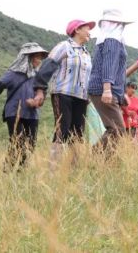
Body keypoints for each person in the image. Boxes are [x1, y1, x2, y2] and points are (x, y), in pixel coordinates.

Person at [0, 42, 49, 171]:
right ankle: (8, 170)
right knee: (17, 142)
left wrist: (37, 102)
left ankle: (20, 170)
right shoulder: (13, 74)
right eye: (36, 57)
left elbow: (42, 96)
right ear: (27, 57)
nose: (39, 60)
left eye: (40, 57)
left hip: (32, 115)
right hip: (15, 112)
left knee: (31, 144)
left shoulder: (38, 77)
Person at [33, 19, 95, 167]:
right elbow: (47, 67)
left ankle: (75, 167)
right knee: (63, 129)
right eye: (87, 28)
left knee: (77, 132)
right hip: (63, 93)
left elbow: (88, 76)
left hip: (81, 96)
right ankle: (53, 168)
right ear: (77, 30)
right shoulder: (64, 47)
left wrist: (89, 95)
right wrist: (40, 89)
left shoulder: (86, 53)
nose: (90, 32)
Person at [88, 9, 133, 153]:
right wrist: (107, 89)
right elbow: (109, 65)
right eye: (120, 23)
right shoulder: (112, 40)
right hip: (104, 89)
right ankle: (93, 159)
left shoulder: (106, 40)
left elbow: (118, 70)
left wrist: (122, 93)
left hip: (107, 89)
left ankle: (104, 162)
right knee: (117, 130)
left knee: (115, 130)